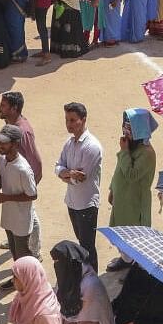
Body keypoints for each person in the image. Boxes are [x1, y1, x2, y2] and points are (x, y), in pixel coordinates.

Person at [0, 124, 38, 291]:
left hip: (22, 219)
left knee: (24, 254)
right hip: (9, 215)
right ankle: (18, 278)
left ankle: (33, 285)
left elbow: (33, 195)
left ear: (15, 144)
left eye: (5, 142)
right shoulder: (2, 159)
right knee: (15, 253)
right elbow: (3, 175)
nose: (0, 145)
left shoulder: (23, 169)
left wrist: (5, 198)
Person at [106, 108, 158, 269]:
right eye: (125, 127)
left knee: (135, 238)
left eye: (129, 129)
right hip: (122, 200)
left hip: (135, 204)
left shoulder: (147, 153)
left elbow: (131, 174)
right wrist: (112, 189)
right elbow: (118, 171)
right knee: (121, 234)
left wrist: (124, 152)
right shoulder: (130, 147)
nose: (125, 132)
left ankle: (134, 268)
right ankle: (126, 260)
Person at [56, 102, 104, 269]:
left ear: (83, 120)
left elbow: (79, 179)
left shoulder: (92, 147)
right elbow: (58, 167)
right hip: (72, 202)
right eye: (67, 120)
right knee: (81, 241)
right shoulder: (69, 144)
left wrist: (65, 174)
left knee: (87, 245)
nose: (68, 124)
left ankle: (92, 280)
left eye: (72, 120)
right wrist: (69, 173)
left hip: (86, 204)